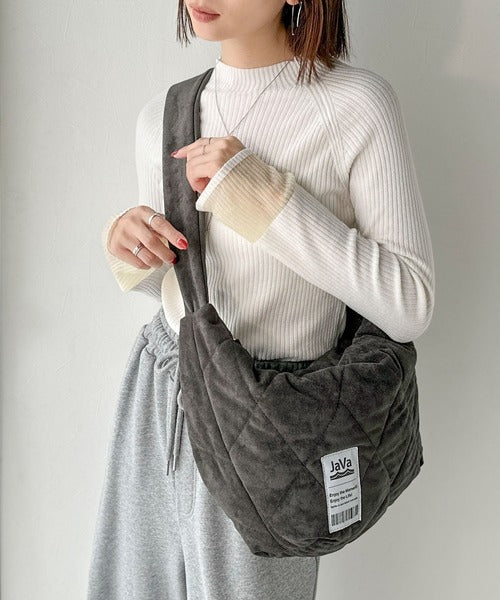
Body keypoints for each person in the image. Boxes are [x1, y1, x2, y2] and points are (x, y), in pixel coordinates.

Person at [86, 1, 435, 599]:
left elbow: (410, 301)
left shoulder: (357, 104)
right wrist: (131, 248)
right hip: (162, 388)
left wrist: (263, 196)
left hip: (272, 419)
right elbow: (181, 289)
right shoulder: (164, 116)